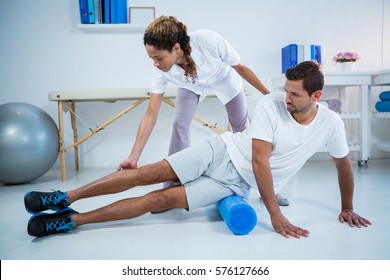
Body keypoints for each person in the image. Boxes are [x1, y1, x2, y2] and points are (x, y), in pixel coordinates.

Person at [24, 61, 371, 238]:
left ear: (316, 97)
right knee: (146, 174)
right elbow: (259, 160)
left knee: (157, 201)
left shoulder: (331, 125)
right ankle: (63, 197)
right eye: (286, 90)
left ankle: (69, 222)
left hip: (234, 186)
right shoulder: (271, 106)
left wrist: (347, 207)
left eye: (294, 94)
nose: (286, 97)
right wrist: (275, 214)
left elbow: (343, 165)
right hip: (220, 151)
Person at [113, 16, 294, 205]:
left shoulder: (207, 41)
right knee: (179, 125)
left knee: (243, 128)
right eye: (151, 58)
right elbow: (151, 114)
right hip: (191, 85)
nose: (155, 63)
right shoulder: (160, 71)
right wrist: (133, 157)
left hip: (224, 79)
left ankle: (271, 189)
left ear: (176, 48)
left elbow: (240, 67)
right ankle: (172, 188)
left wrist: (268, 95)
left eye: (158, 57)